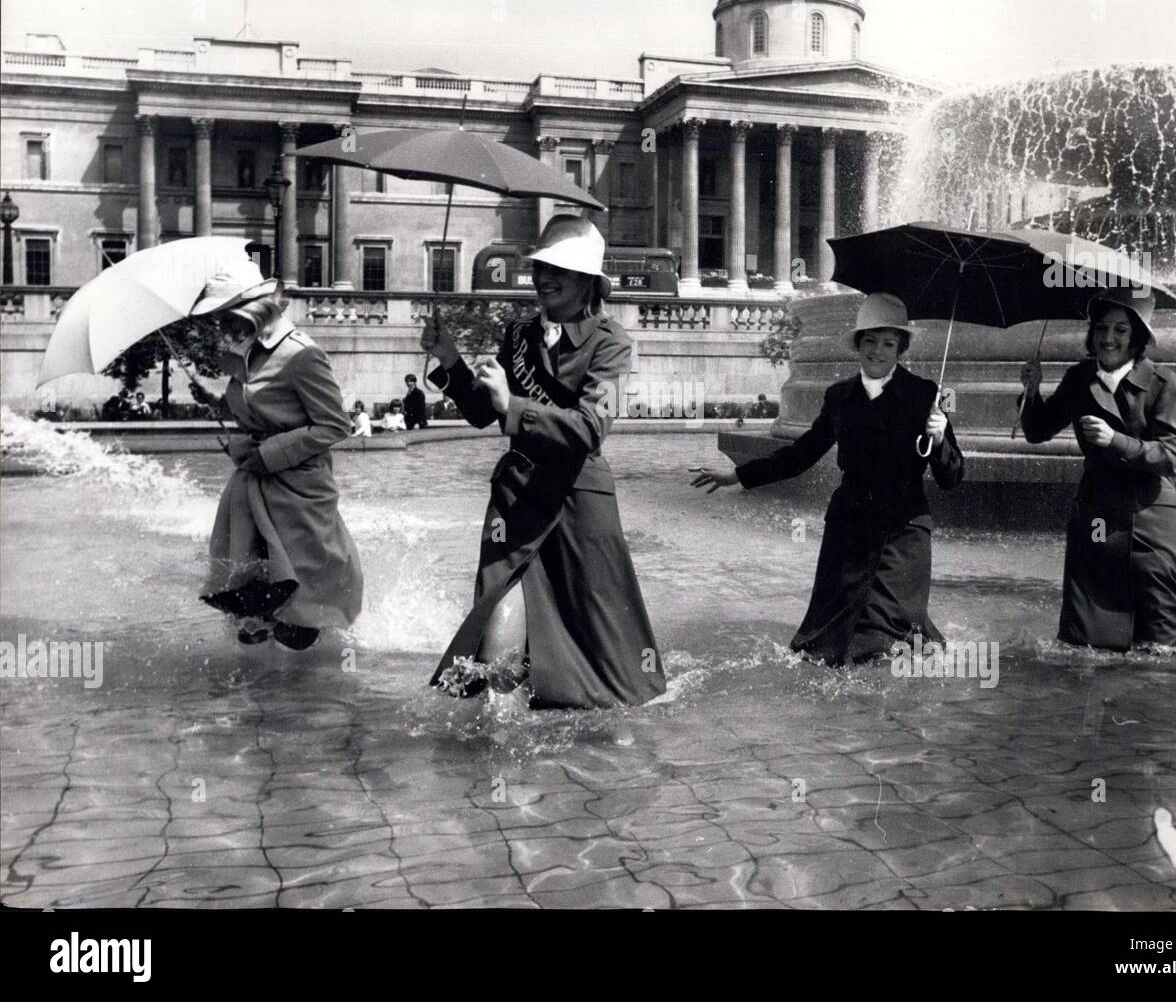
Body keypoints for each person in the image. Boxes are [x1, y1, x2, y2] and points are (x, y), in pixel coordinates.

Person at [421, 214, 666, 709]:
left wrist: (512, 406)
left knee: (601, 636)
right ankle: (503, 733)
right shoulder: (518, 335)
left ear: (589, 283)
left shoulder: (612, 343)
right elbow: (480, 413)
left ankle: (596, 711)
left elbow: (591, 428)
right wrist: (451, 361)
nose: (544, 278)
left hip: (579, 501)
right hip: (518, 498)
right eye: (540, 267)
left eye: (560, 269)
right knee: (499, 607)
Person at [691, 293, 964, 666]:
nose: (878, 351)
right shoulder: (840, 397)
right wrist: (738, 475)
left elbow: (952, 477)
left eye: (888, 343)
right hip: (849, 530)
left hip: (904, 532)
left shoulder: (925, 395)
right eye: (869, 341)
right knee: (827, 646)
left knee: (895, 640)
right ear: (857, 345)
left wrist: (939, 437)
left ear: (900, 348)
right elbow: (800, 455)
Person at [1019, 290, 1176, 651]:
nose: (1109, 338)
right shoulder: (1079, 378)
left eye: (1121, 330)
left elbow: (1173, 456)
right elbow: (1037, 431)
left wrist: (1116, 440)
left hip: (1150, 521)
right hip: (1097, 518)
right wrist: (1031, 392)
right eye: (1102, 329)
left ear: (1137, 336)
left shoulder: (1162, 383)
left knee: (1165, 641)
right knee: (1087, 643)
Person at [188, 265, 363, 650]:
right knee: (253, 599)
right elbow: (262, 411)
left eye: (228, 317)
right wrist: (215, 399)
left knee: (304, 608)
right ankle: (267, 694)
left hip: (298, 489)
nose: (222, 328)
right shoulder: (245, 355)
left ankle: (319, 686)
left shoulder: (303, 355)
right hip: (254, 485)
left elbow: (335, 425)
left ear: (257, 309)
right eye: (219, 319)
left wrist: (269, 454)